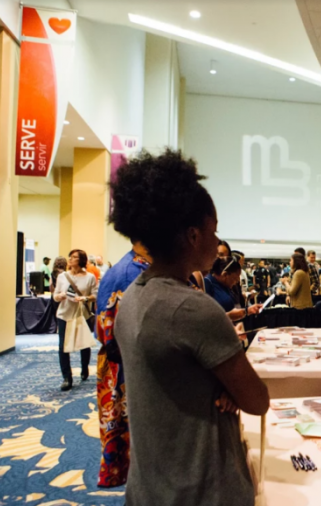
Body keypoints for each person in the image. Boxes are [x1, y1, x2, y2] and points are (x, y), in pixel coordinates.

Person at [109, 149, 269, 506]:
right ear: (194, 236)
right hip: (202, 489)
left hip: (151, 484)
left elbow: (172, 377)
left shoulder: (132, 299)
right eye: (215, 231)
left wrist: (221, 383)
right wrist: (234, 386)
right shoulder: (195, 309)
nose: (217, 242)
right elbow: (257, 401)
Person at [95, 240, 152, 488]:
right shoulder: (133, 272)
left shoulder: (138, 267)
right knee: (143, 451)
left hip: (128, 367)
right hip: (131, 371)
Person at [53, 249, 98, 391]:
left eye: (74, 257)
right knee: (63, 346)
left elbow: (95, 295)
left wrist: (85, 298)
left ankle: (84, 368)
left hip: (81, 314)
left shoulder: (90, 277)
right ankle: (67, 377)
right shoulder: (62, 277)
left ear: (81, 260)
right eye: (70, 257)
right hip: (64, 314)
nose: (70, 260)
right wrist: (60, 296)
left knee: (84, 343)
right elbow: (55, 295)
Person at [204, 256, 260, 321]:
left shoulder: (225, 285)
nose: (236, 282)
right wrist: (229, 315)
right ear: (225, 274)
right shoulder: (207, 283)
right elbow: (207, 316)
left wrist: (248, 310)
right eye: (235, 279)